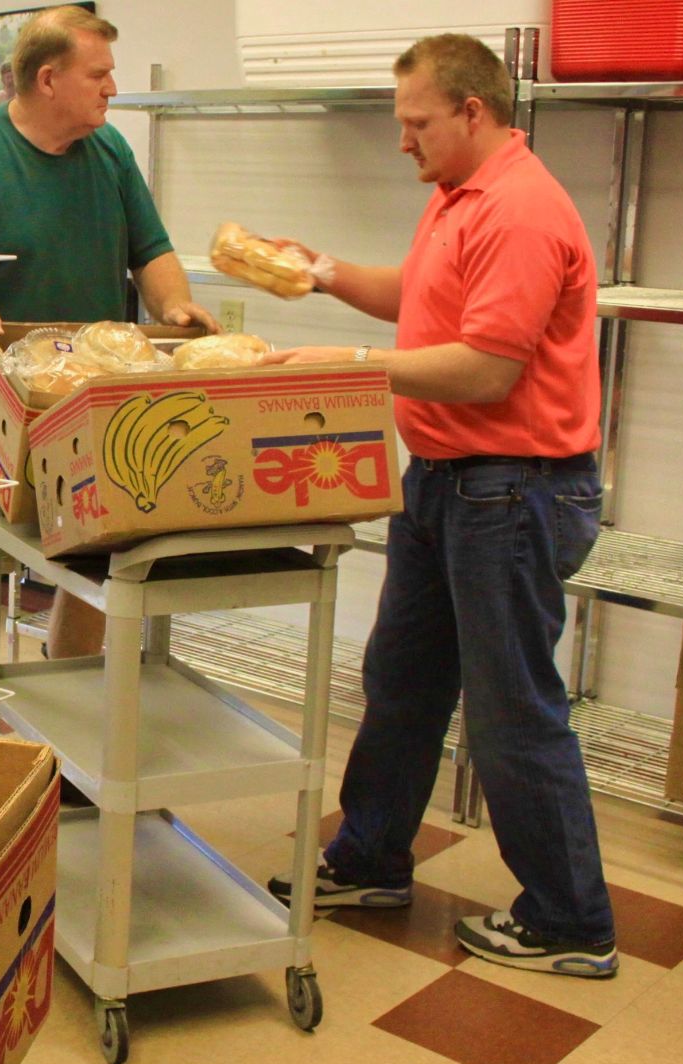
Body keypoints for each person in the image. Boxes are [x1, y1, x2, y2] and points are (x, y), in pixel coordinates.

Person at [261, 34, 615, 977]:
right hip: (445, 483)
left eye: (416, 124)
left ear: (473, 111)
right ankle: (371, 857)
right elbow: (420, 305)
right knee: (404, 678)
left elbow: (487, 369)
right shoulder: (457, 201)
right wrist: (325, 272)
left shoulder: (523, 211)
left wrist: (350, 370)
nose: (403, 142)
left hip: (513, 489)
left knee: (511, 710)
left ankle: (572, 921)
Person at [0, 5, 217, 684]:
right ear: (47, 79)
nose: (111, 89)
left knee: (88, 563)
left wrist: (174, 303)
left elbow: (150, 250)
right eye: (98, 74)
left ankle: (66, 718)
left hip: (80, 404)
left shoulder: (110, 152)